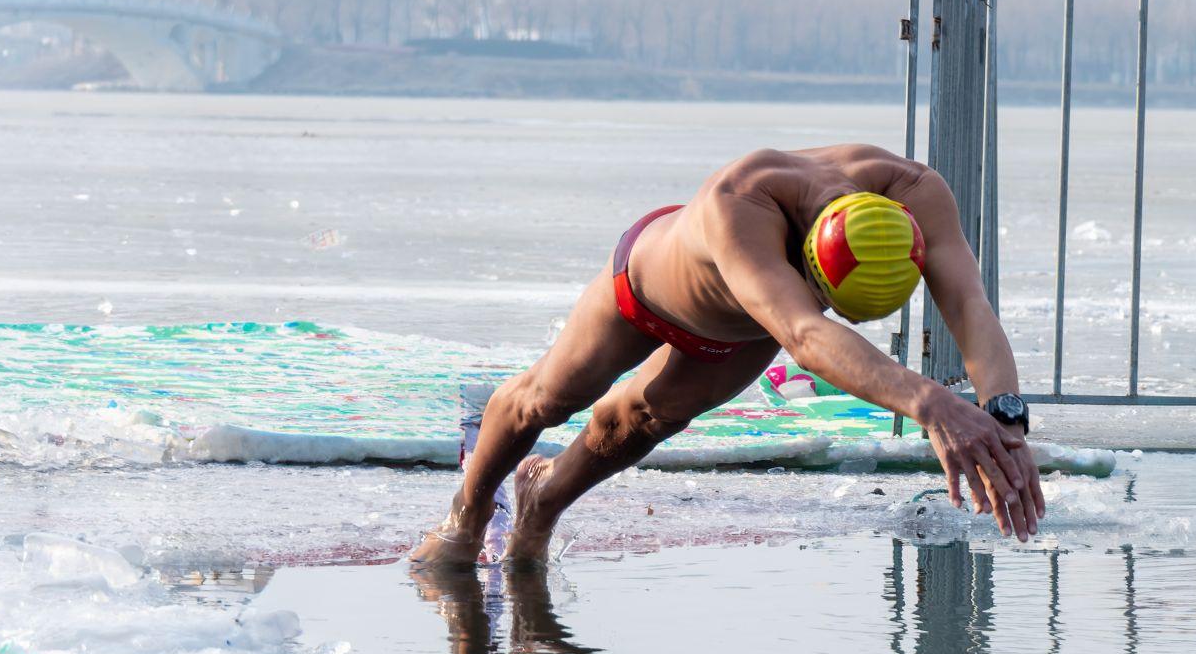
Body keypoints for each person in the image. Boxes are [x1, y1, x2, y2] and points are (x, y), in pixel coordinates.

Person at [411, 144, 1043, 567]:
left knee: (636, 425)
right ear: (810, 262)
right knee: (549, 399)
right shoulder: (741, 202)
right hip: (646, 290)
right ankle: (466, 517)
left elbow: (970, 309)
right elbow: (803, 336)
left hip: (740, 329)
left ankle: (540, 507)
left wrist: (1005, 421)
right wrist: (929, 402)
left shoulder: (914, 192)